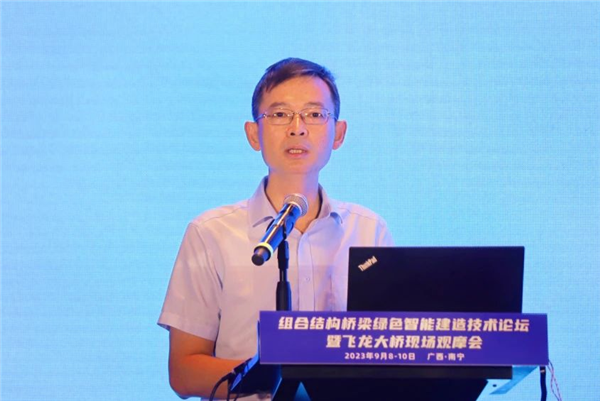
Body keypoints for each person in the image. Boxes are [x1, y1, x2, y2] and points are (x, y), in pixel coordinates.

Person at [158, 58, 393, 399]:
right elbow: (184, 371)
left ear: (339, 133)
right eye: (280, 114)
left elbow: (388, 354)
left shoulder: (369, 231)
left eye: (315, 114)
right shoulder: (210, 233)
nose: (297, 128)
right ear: (254, 134)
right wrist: (275, 374)